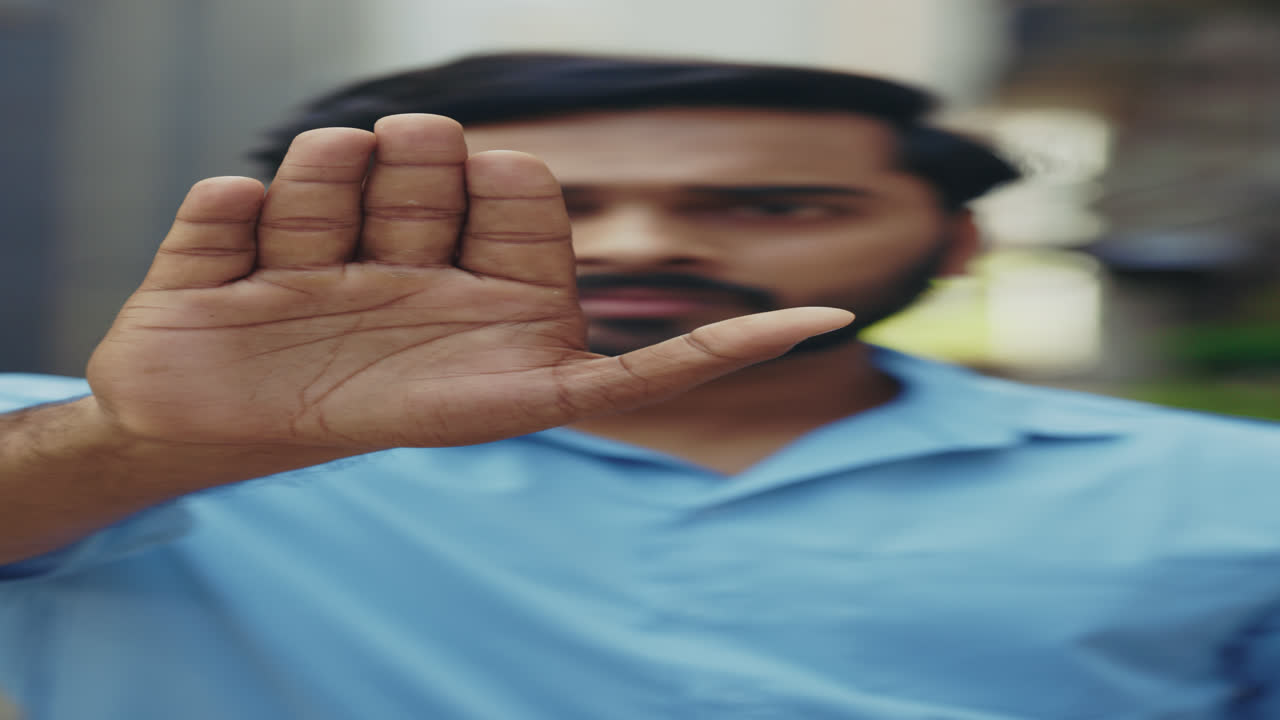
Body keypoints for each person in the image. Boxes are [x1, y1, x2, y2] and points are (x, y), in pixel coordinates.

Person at [1, 52, 1277, 720]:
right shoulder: (98, 436)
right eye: (552, 207)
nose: (637, 243)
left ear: (956, 246)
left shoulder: (1230, 490)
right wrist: (141, 447)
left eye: (773, 204)